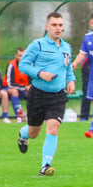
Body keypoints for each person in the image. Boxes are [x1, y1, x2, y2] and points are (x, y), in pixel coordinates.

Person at [16, 11, 77, 176]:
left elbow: (67, 67)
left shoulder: (66, 47)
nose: (58, 28)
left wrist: (71, 80)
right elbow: (23, 65)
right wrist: (40, 73)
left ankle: (45, 166)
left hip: (58, 95)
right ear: (47, 27)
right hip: (38, 94)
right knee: (34, 132)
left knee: (53, 127)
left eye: (60, 25)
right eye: (54, 25)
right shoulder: (38, 45)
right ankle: (23, 134)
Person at [6, 47, 31, 123]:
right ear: (16, 56)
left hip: (23, 88)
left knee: (34, 91)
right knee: (14, 91)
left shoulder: (29, 65)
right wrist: (24, 87)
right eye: (20, 56)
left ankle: (31, 115)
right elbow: (10, 83)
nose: (22, 58)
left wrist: (30, 86)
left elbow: (33, 79)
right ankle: (19, 116)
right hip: (10, 88)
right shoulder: (11, 65)